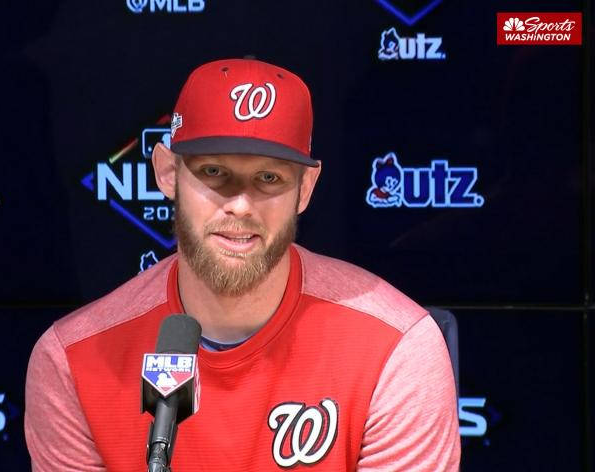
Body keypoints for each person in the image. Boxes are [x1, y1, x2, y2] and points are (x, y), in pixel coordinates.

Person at [24, 58, 460, 471]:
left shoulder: (395, 349)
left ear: (305, 188)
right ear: (166, 173)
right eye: (214, 172)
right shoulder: (72, 362)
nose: (240, 204)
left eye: (269, 178)